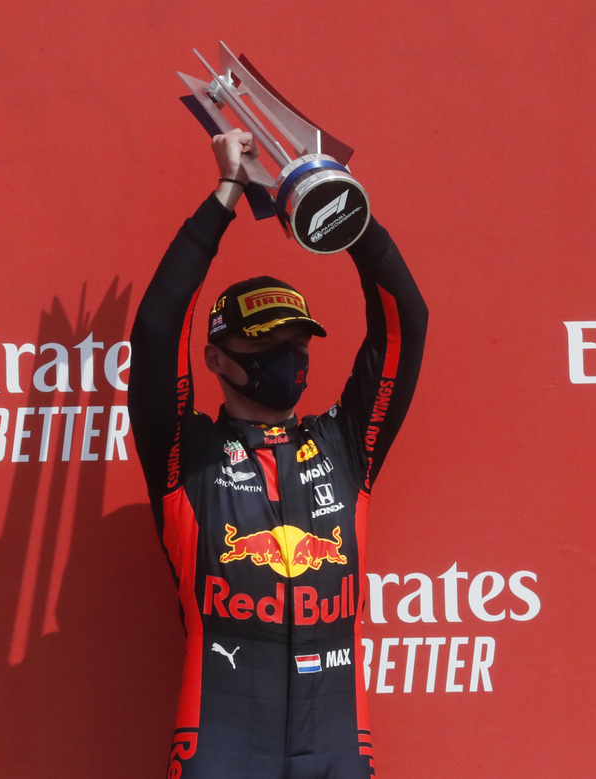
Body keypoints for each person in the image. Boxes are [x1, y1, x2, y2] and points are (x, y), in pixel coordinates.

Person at [129, 129, 427, 779]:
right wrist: (226, 193)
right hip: (221, 742)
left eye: (298, 344)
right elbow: (156, 331)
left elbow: (406, 319)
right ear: (216, 359)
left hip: (337, 741)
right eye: (265, 346)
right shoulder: (188, 455)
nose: (287, 360)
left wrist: (344, 211)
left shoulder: (347, 445)